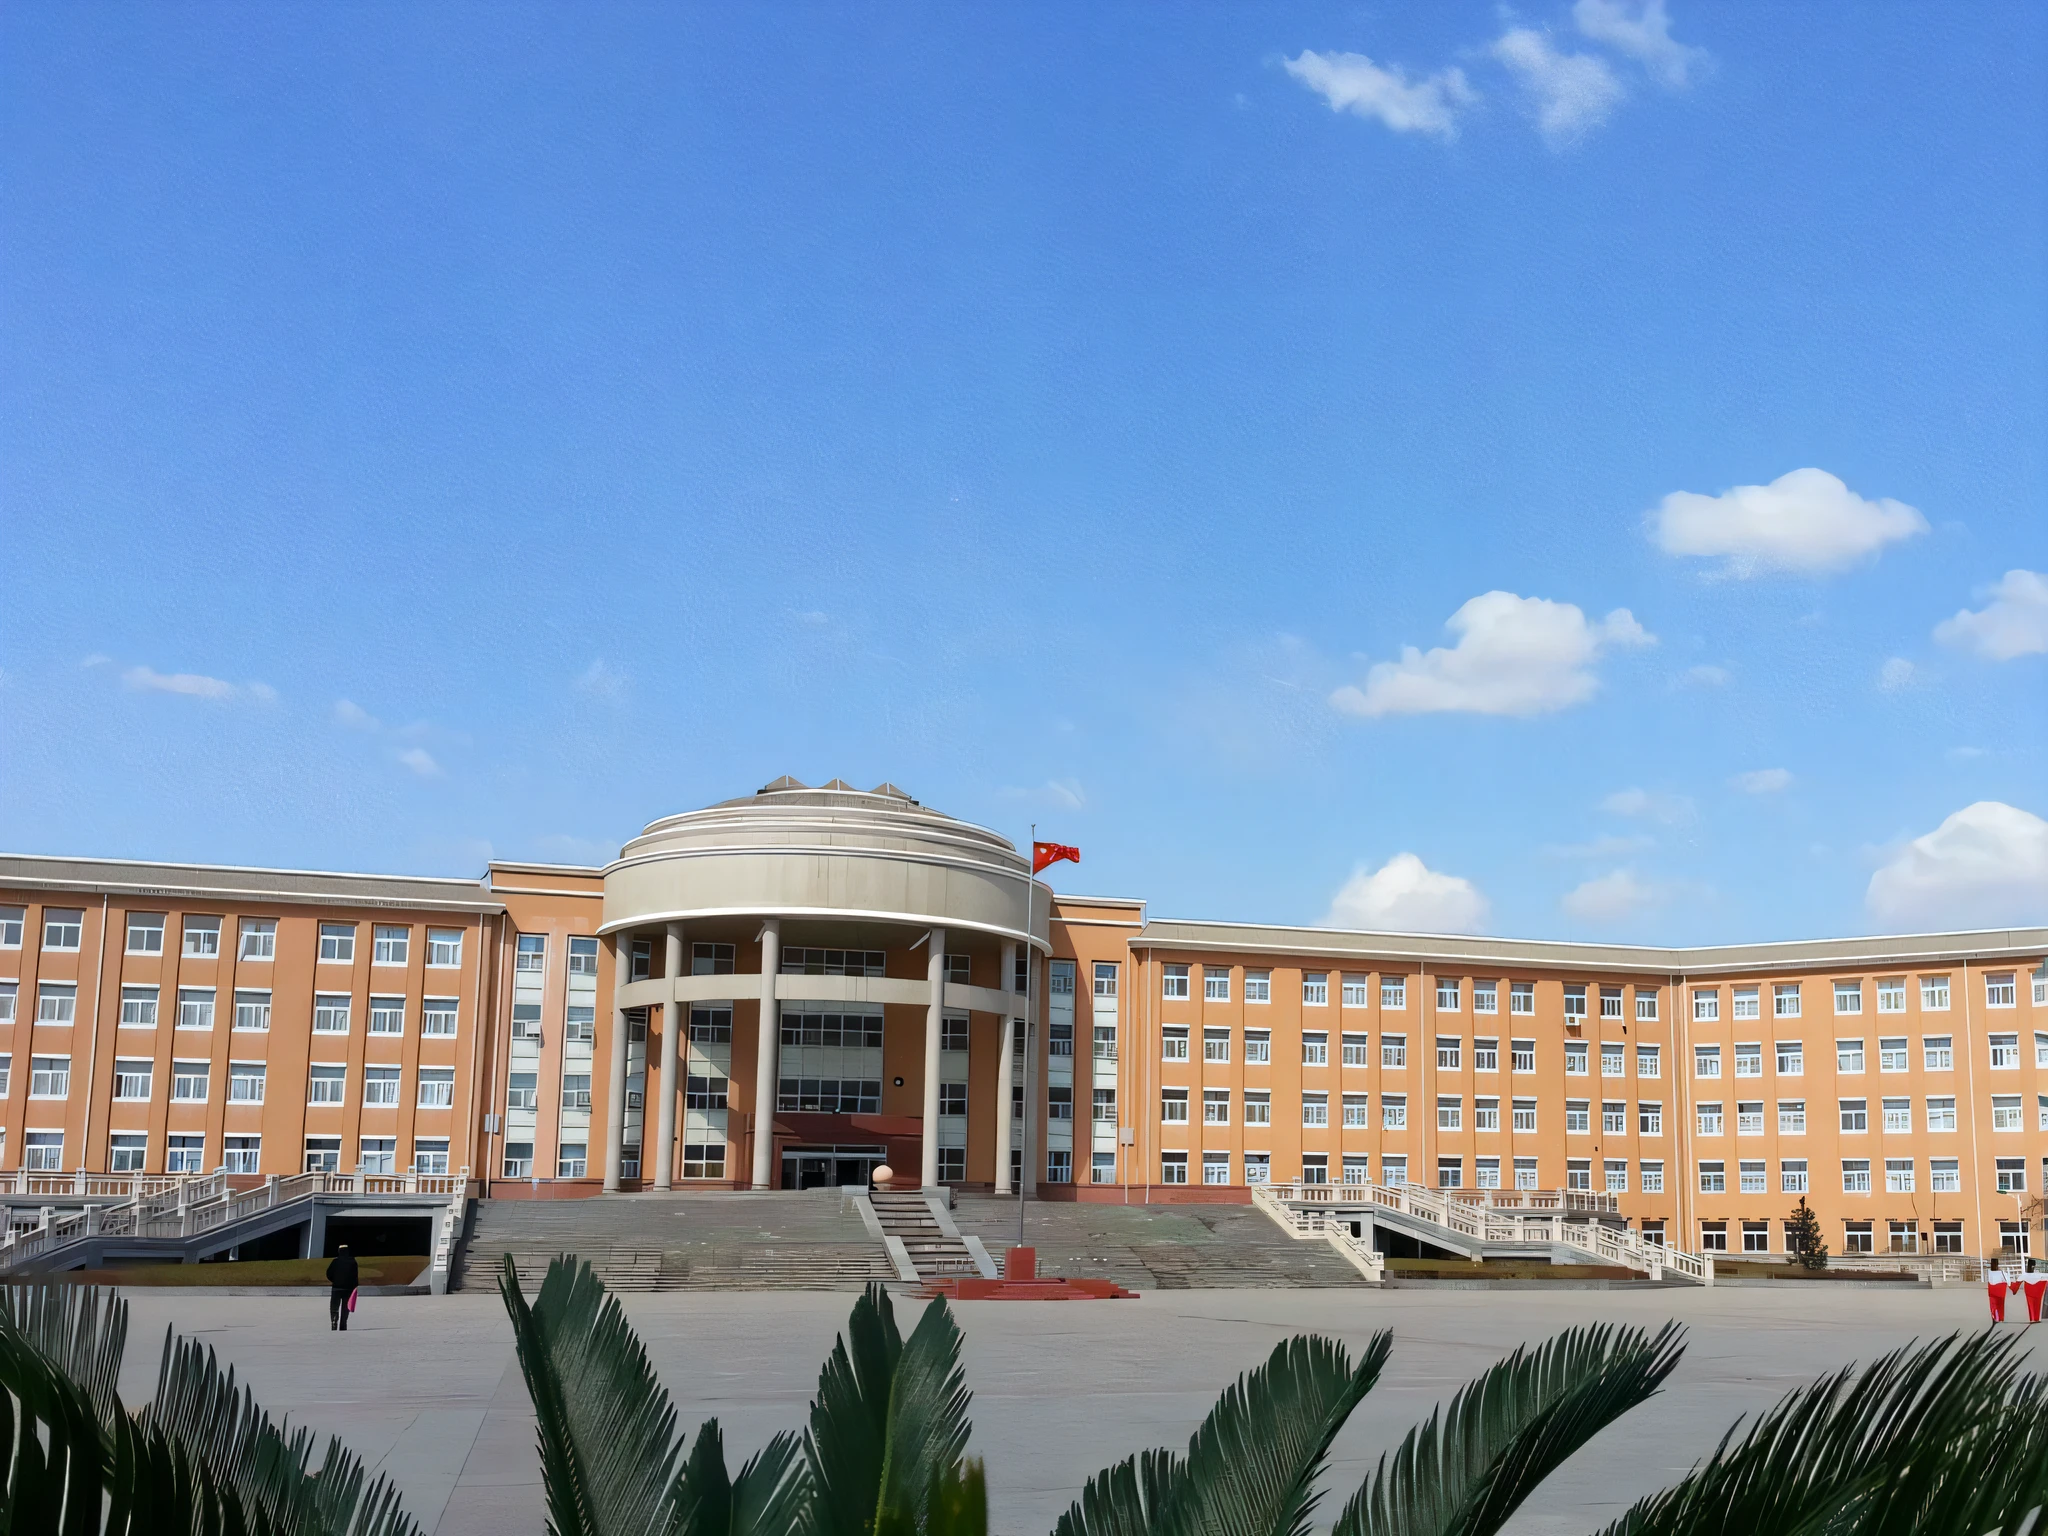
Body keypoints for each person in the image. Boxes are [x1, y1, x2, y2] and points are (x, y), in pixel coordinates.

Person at [327, 1245, 360, 1331]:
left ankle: (334, 1321)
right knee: (345, 1307)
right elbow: (355, 1276)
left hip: (336, 1287)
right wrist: (355, 1285)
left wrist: (334, 1280)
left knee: (334, 1307)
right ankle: (343, 1324)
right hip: (348, 1288)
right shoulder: (353, 1261)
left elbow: (328, 1273)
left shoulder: (335, 1261)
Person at [1986, 1255, 2016, 1323]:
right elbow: (2008, 1281)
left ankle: (1994, 1316)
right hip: (2000, 1291)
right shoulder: (2001, 1272)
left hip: (1991, 1290)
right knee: (2000, 1305)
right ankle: (2000, 1318)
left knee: (1993, 1305)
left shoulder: (1989, 1272)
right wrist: (2011, 1287)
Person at [2025, 1258, 2047, 1324]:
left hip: (2029, 1290)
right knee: (2037, 1304)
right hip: (2037, 1290)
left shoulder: (2026, 1274)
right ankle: (2036, 1318)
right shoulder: (2037, 1273)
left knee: (2031, 1304)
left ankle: (2032, 1318)